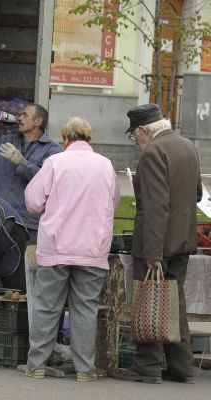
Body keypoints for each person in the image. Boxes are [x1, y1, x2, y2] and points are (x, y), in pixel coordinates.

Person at [23, 117, 119, 382]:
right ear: (89, 139)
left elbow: (33, 202)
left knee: (47, 306)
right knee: (85, 309)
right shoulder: (106, 165)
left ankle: (37, 365)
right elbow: (115, 201)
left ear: (66, 138)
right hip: (92, 248)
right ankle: (85, 369)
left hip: (57, 246)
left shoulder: (55, 162)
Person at [114, 104, 202, 384]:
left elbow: (154, 206)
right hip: (183, 240)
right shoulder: (186, 145)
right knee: (174, 302)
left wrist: (152, 252)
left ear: (143, 130)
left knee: (149, 300)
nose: (135, 142)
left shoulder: (153, 152)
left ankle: (147, 365)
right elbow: (197, 193)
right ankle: (181, 366)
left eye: (134, 136)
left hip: (158, 243)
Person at [0, 103, 63, 292]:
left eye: (24, 115)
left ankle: (26, 321)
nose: (19, 118)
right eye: (19, 114)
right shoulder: (6, 141)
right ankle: (0, 319)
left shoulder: (53, 150)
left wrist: (22, 163)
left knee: (26, 279)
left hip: (28, 225)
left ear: (38, 121)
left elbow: (49, 183)